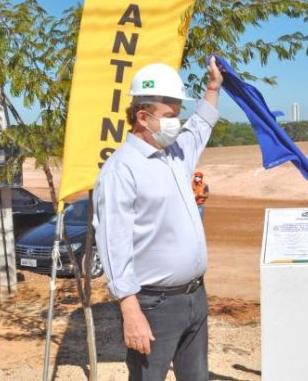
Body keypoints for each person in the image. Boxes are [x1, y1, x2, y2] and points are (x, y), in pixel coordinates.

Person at [93, 56, 222, 381]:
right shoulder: (121, 170)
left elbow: (201, 126)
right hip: (154, 305)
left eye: (178, 115)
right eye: (169, 116)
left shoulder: (175, 155)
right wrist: (129, 309)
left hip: (194, 297)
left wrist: (212, 88)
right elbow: (113, 242)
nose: (176, 123)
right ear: (142, 116)